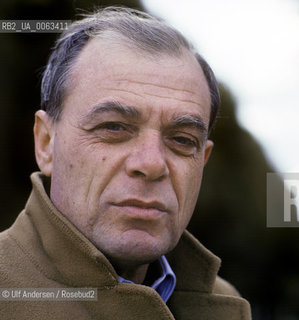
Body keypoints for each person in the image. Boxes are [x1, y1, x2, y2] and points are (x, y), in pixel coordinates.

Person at [0, 7, 251, 319]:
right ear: (46, 144)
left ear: (203, 161)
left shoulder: (225, 306)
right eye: (113, 127)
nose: (152, 164)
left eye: (183, 140)